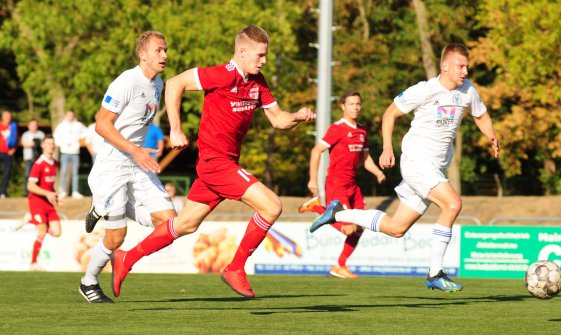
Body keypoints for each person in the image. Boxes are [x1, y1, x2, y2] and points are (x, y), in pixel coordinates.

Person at [110, 24, 316, 299]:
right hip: (216, 163)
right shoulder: (220, 75)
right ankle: (235, 268)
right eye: (260, 55)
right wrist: (176, 128)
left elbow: (278, 120)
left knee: (185, 224)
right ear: (242, 51)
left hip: (222, 165)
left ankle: (127, 257)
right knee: (272, 206)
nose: (264, 60)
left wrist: (298, 117)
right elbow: (175, 83)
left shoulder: (257, 82)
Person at [311, 43, 500, 292]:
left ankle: (337, 214)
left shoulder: (468, 91)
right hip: (417, 162)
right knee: (453, 204)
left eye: (467, 66)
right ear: (445, 66)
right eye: (460, 66)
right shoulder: (424, 90)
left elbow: (481, 116)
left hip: (435, 168)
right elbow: (390, 114)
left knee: (396, 228)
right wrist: (387, 148)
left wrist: (492, 136)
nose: (465, 71)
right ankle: (435, 273)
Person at [78, 31, 176, 304]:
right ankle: (88, 283)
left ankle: (104, 207)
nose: (165, 55)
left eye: (165, 50)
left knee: (169, 222)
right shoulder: (126, 82)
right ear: (142, 54)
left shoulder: (158, 83)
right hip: (112, 167)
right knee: (116, 236)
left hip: (137, 163)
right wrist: (134, 150)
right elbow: (102, 124)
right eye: (159, 50)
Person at [299, 91, 385, 279]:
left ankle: (340, 266)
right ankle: (317, 209)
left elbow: (365, 158)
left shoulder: (362, 131)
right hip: (337, 183)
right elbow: (316, 150)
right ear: (343, 107)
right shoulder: (337, 128)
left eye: (358, 104)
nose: (355, 107)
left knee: (360, 228)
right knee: (349, 228)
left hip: (353, 186)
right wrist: (312, 179)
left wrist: (378, 172)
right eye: (351, 104)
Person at [27, 135, 62, 271]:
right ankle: (33, 263)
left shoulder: (55, 163)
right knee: (41, 231)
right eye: (48, 143)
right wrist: (47, 194)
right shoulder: (39, 164)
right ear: (42, 145)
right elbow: (30, 186)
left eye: (53, 143)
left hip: (48, 203)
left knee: (57, 232)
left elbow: (49, 186)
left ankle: (31, 219)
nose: (51, 146)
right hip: (36, 202)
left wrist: (56, 198)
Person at [53, 110, 88, 199]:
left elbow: (86, 132)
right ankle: (63, 191)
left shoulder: (78, 125)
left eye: (71, 115)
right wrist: (61, 144)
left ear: (73, 116)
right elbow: (56, 136)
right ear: (66, 116)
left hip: (75, 152)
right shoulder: (61, 126)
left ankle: (75, 192)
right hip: (64, 152)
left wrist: (79, 140)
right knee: (63, 172)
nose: (70, 117)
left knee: (75, 173)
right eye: (68, 115)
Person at [21, 119, 46, 196]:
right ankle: (26, 192)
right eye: (32, 125)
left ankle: (39, 192)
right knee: (27, 174)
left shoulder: (41, 134)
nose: (33, 127)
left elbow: (44, 145)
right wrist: (34, 144)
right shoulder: (25, 134)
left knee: (39, 175)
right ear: (29, 126)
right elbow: (24, 144)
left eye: (35, 125)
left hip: (39, 158)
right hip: (29, 157)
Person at [0, 110, 18, 198]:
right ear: (3, 117)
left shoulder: (13, 127)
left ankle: (3, 192)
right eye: (7, 116)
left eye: (10, 117)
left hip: (8, 154)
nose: (8, 118)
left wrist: (14, 149)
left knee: (6, 173)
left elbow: (16, 139)